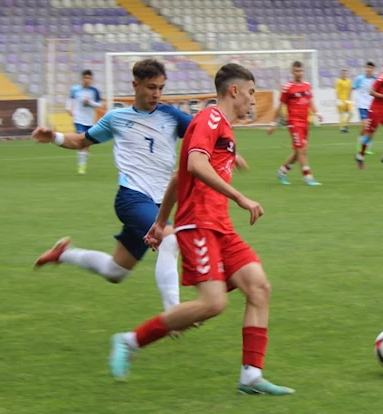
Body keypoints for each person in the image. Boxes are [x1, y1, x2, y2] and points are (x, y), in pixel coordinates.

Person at [111, 63, 294, 396]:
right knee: (213, 304)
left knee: (259, 287)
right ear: (234, 91)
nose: (253, 101)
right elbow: (195, 165)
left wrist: (160, 222)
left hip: (219, 226)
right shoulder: (210, 119)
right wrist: (240, 196)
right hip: (199, 225)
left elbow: (180, 178)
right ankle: (130, 341)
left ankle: (251, 376)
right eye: (251, 93)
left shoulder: (222, 128)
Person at [32, 59, 190, 314]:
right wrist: (55, 137)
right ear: (135, 85)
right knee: (170, 240)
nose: (157, 94)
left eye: (161, 87)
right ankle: (174, 313)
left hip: (159, 204)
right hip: (132, 199)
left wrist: (226, 149)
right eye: (151, 87)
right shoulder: (117, 118)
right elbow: (82, 140)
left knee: (114, 271)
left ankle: (63, 254)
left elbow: (202, 134)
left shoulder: (170, 116)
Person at [268, 61, 323, 186]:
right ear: (292, 72)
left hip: (305, 123)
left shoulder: (307, 86)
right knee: (302, 150)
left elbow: (310, 102)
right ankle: (308, 177)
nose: (299, 73)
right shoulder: (287, 88)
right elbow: (279, 106)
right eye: (297, 71)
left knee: (299, 152)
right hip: (294, 122)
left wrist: (317, 113)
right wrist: (273, 123)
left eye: (301, 71)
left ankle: (282, 172)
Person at [356, 56, 383, 169]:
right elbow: (371, 92)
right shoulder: (381, 77)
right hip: (375, 109)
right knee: (370, 135)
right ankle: (360, 156)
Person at [67, 69, 102, 175]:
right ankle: (81, 167)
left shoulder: (94, 91)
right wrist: (68, 108)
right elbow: (70, 99)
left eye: (89, 78)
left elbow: (99, 104)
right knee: (80, 141)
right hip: (78, 119)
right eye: (85, 78)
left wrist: (90, 102)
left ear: (91, 79)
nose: (87, 80)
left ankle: (83, 164)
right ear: (82, 79)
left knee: (87, 144)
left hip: (89, 120)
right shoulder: (75, 89)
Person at [352, 62, 376, 155]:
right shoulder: (360, 78)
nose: (369, 69)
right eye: (367, 67)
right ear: (365, 68)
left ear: (373, 69)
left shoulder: (375, 80)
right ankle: (359, 143)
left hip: (372, 106)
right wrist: (348, 100)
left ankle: (368, 147)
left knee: (371, 128)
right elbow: (353, 88)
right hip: (362, 106)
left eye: (371, 68)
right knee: (365, 126)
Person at [335, 69, 353, 133]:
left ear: (347, 74)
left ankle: (345, 125)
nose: (344, 75)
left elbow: (350, 90)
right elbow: (337, 91)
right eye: (343, 73)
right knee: (342, 114)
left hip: (347, 99)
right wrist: (338, 99)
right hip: (341, 99)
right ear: (341, 74)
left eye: (345, 73)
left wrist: (349, 99)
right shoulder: (338, 81)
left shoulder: (349, 81)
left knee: (351, 113)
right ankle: (342, 128)